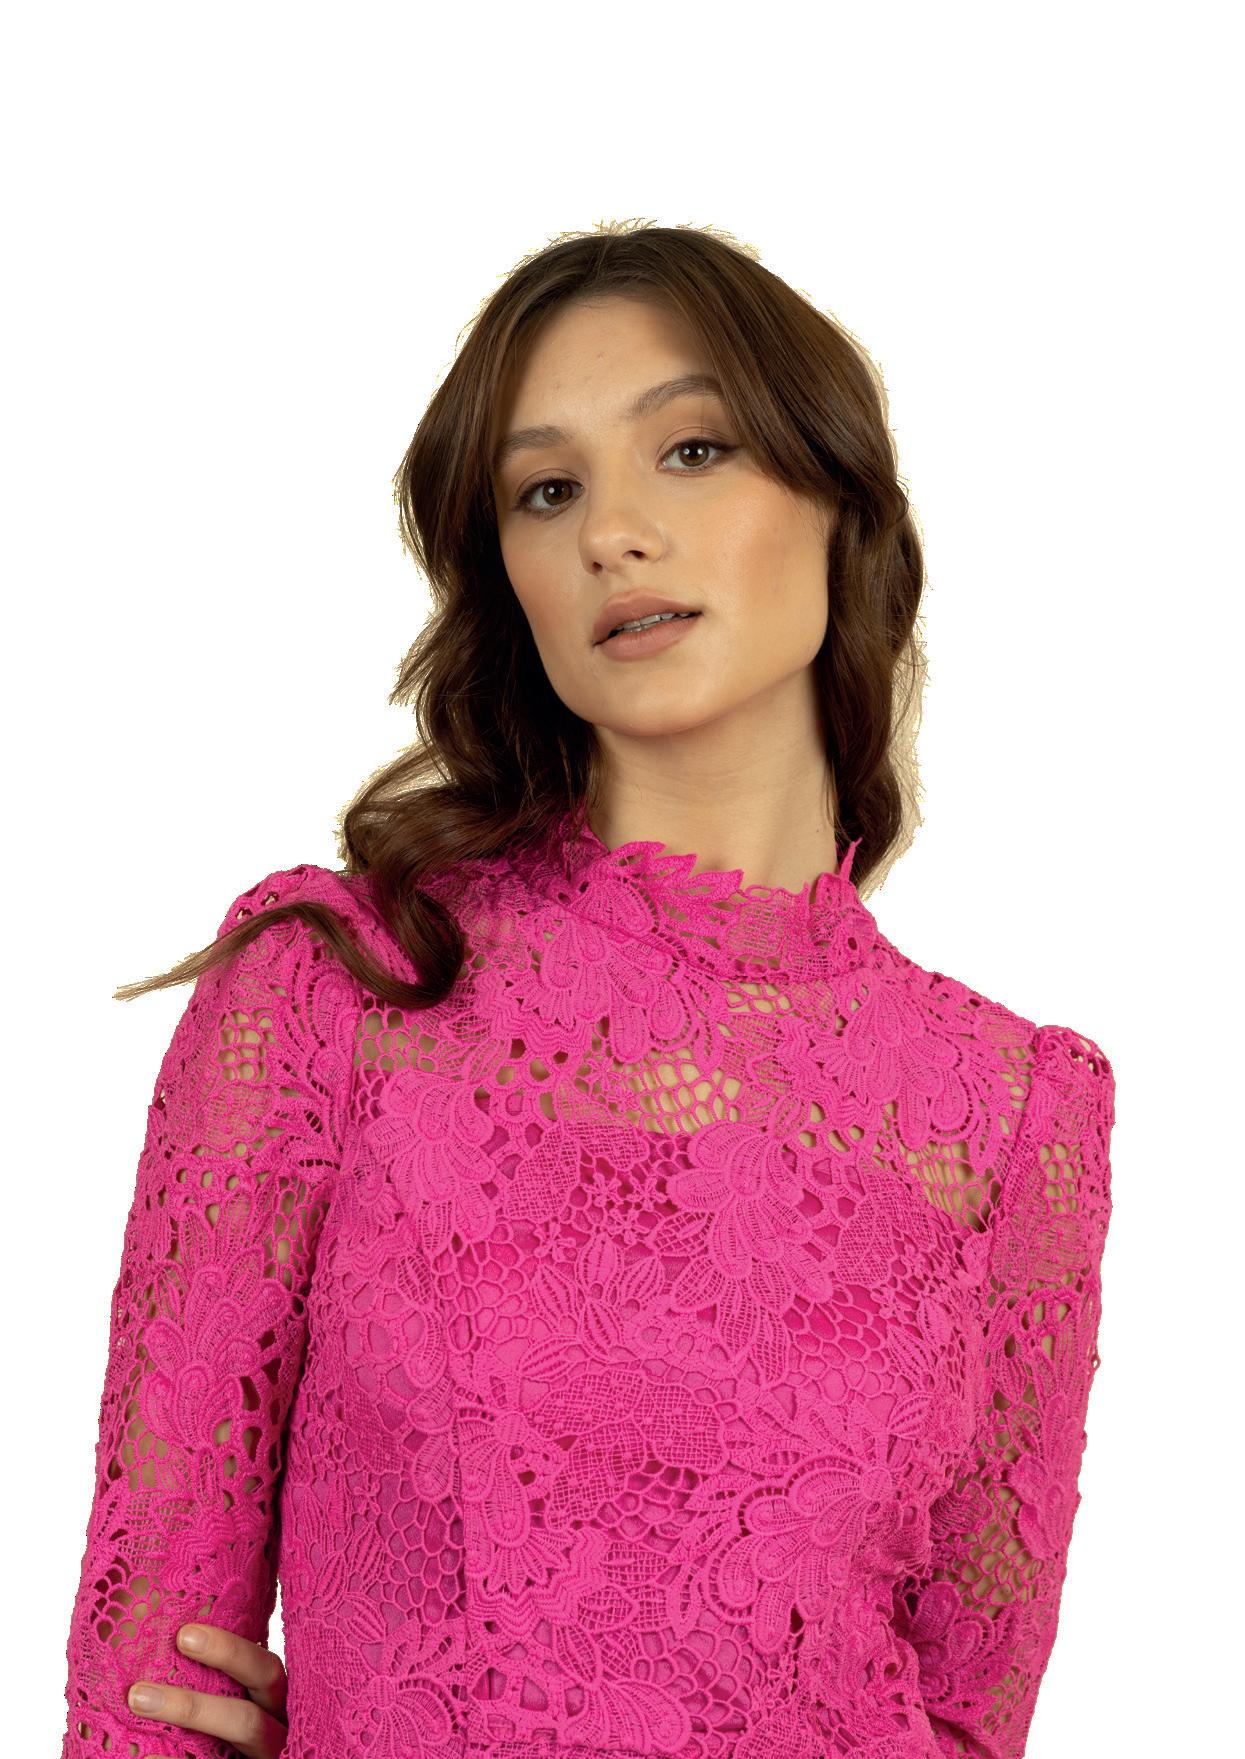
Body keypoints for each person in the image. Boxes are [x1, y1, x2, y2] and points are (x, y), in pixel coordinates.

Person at [59, 221, 1115, 1759]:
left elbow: (967, 1717)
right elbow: (148, 1679)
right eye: (546, 492)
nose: (614, 530)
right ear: (512, 582)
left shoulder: (1017, 1110)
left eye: (689, 450)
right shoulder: (341, 988)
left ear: (838, 504)